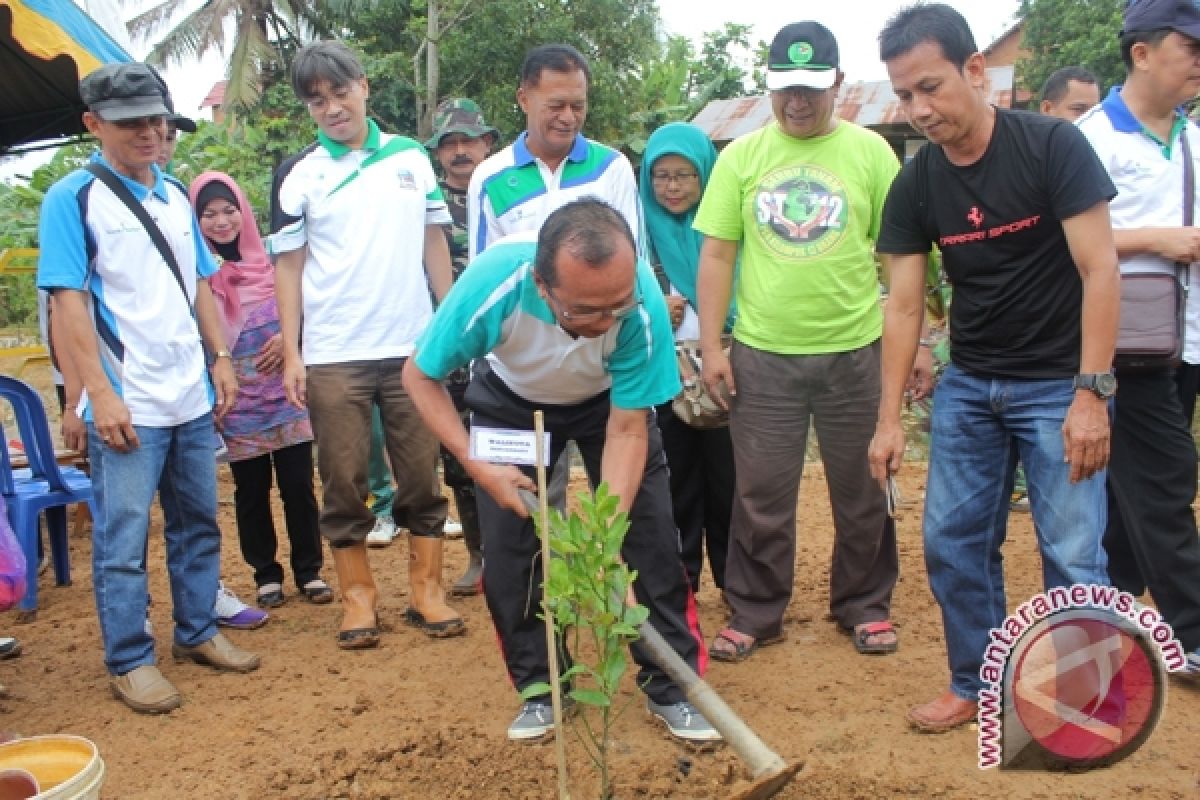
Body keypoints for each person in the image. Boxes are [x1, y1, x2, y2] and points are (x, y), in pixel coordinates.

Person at [870, 3, 1120, 733]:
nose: (919, 109)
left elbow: (1100, 269)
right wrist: (888, 422)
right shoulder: (916, 185)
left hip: (1058, 386)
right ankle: (974, 681)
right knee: (952, 541)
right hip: (971, 387)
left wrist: (1091, 393)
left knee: (1072, 547)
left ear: (976, 70)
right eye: (905, 95)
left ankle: (1084, 696)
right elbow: (904, 307)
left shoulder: (1052, 149)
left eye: (931, 87)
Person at [403, 199, 719, 744]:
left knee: (650, 544)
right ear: (542, 285)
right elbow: (420, 375)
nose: (602, 325)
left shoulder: (637, 305)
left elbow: (626, 429)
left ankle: (671, 686)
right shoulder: (494, 284)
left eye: (613, 309)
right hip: (512, 404)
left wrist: (605, 535)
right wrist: (478, 466)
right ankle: (541, 689)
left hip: (608, 406)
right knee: (511, 554)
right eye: (583, 312)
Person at [37, 62, 261, 714]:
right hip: (128, 399)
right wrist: (99, 394)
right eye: (132, 121)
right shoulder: (72, 199)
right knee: (124, 540)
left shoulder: (171, 196)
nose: (149, 132)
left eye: (157, 120)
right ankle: (130, 659)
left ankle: (196, 630)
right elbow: (69, 304)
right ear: (93, 124)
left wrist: (218, 355)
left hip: (187, 396)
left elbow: (196, 284)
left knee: (198, 524)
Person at [694, 21, 902, 662]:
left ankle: (864, 604)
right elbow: (718, 256)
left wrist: (911, 342)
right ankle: (756, 610)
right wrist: (713, 345)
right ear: (770, 85)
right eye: (786, 88)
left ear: (837, 82)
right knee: (760, 491)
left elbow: (901, 259)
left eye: (812, 88)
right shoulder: (742, 157)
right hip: (763, 354)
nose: (798, 102)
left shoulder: (871, 154)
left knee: (864, 484)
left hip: (855, 350)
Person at [269, 40, 463, 647]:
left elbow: (435, 244)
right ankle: (358, 599)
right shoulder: (300, 174)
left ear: (364, 86)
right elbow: (288, 268)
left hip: (410, 349)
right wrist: (295, 351)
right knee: (345, 479)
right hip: (333, 354)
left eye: (339, 92)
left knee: (421, 476)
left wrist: (448, 324)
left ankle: (426, 592)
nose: (331, 108)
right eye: (316, 100)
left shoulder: (412, 159)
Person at [1076, 0, 1200, 683]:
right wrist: (1157, 239)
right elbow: (1056, 239)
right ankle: (1194, 631)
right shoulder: (1092, 139)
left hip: (1185, 341)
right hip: (1125, 349)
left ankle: (1111, 610)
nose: (1199, 62)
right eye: (1190, 46)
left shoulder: (1191, 138)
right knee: (1164, 485)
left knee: (1132, 489)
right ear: (1143, 54)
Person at [467, 43, 642, 519]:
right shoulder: (491, 178)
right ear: (524, 98)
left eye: (578, 106)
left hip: (603, 371)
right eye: (556, 105)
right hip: (522, 379)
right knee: (533, 510)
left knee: (626, 505)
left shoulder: (612, 169)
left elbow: (634, 269)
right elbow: (485, 284)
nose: (569, 117)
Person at [189, 171, 333, 610]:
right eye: (208, 214)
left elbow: (307, 300)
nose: (221, 222)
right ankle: (266, 575)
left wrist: (290, 338)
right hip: (236, 398)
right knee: (250, 491)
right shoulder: (196, 271)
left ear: (243, 212)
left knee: (297, 485)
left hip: (285, 392)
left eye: (229, 210)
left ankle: (309, 570)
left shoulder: (274, 258)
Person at [638, 121, 733, 594]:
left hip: (724, 368)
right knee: (675, 482)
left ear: (705, 177)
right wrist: (656, 306)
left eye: (684, 175)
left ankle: (737, 584)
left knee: (730, 482)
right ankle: (683, 585)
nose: (671, 187)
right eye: (661, 176)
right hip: (664, 373)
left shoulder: (725, 231)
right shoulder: (641, 234)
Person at [423, 98, 499, 595]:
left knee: (522, 450)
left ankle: (528, 552)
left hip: (506, 346)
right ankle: (479, 556)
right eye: (448, 143)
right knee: (460, 456)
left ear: (487, 143)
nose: (459, 151)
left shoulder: (504, 194)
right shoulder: (427, 209)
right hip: (450, 352)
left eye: (467, 140)